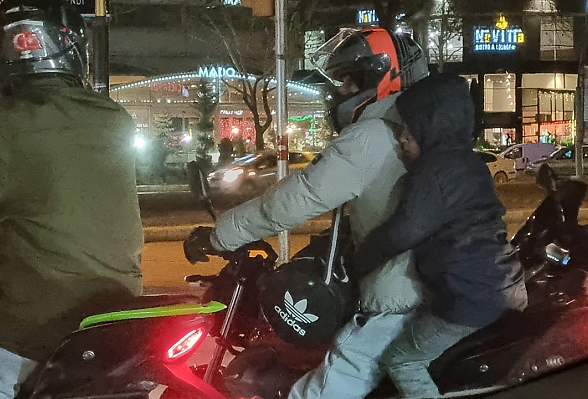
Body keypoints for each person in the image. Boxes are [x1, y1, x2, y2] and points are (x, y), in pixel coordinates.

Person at [0, 1, 144, 398]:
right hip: (111, 320)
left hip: (36, 331)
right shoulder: (110, 118)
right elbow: (52, 189)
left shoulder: (5, 126)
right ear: (73, 49)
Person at [184, 27, 429, 399]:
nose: (341, 93)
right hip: (424, 286)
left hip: (398, 300)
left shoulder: (370, 138)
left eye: (351, 82)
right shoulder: (409, 133)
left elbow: (294, 200)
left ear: (384, 78)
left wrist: (220, 235)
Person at [353, 73, 528, 398]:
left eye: (411, 130)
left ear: (432, 127)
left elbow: (404, 230)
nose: (402, 138)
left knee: (402, 359)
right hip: (501, 282)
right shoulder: (467, 162)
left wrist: (356, 264)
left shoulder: (435, 170)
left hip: (469, 294)